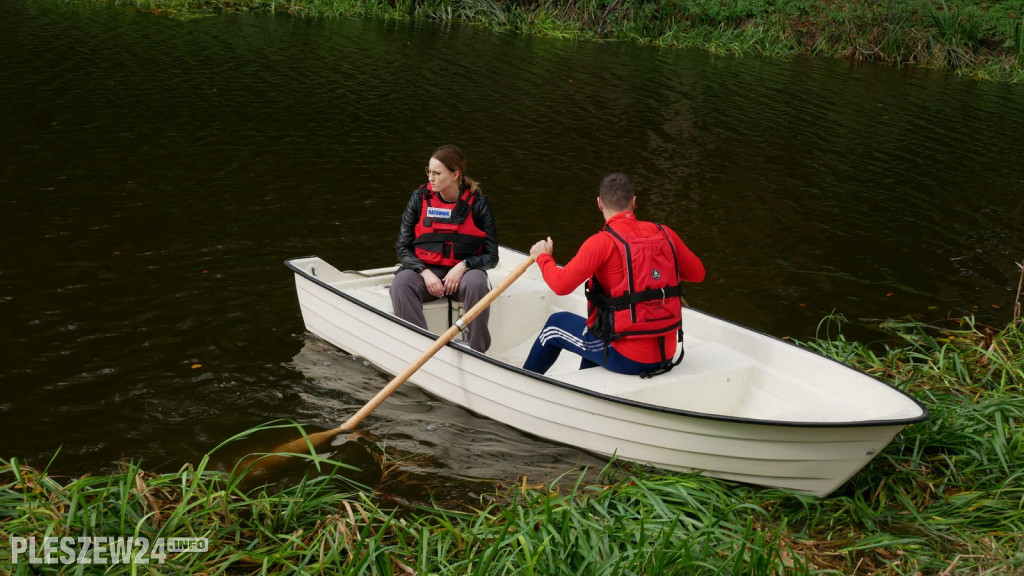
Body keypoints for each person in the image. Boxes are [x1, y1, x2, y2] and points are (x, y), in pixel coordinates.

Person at [523, 173, 705, 377]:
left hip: (628, 357)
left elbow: (560, 285)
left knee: (555, 326)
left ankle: (520, 385)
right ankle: (585, 391)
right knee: (596, 328)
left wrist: (543, 258)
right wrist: (655, 275)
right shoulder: (664, 233)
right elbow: (698, 273)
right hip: (667, 353)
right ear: (634, 202)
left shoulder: (601, 243)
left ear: (599, 203)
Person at [390, 145, 499, 353]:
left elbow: (491, 256)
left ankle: (477, 350)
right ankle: (421, 348)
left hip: (462, 276)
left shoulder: (478, 204)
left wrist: (464, 266)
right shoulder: (418, 199)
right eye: (429, 172)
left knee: (477, 282)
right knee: (401, 284)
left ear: (455, 175)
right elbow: (402, 248)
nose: (431, 178)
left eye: (437, 173)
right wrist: (424, 271)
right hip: (427, 272)